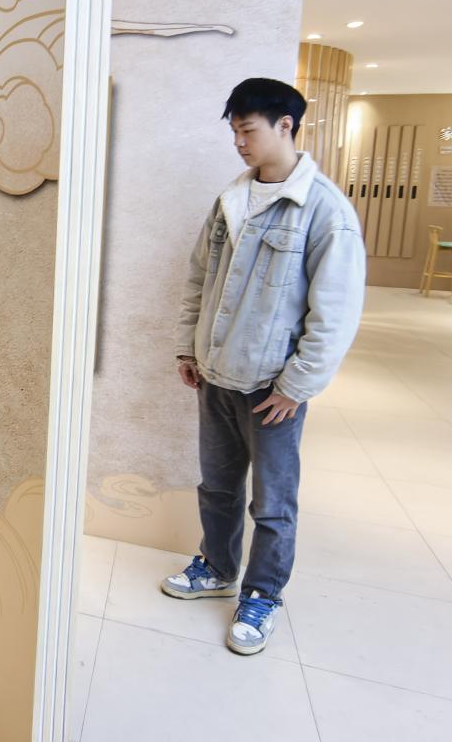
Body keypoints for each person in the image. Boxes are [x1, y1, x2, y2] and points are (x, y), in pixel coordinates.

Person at [163, 77, 366, 655]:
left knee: (272, 504)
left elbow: (335, 312)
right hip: (215, 374)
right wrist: (188, 348)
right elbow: (198, 279)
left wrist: (297, 386)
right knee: (217, 486)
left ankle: (263, 594)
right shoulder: (230, 200)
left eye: (247, 130)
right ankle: (217, 567)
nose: (239, 142)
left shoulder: (324, 210)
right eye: (234, 130)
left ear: (285, 125)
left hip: (272, 388)